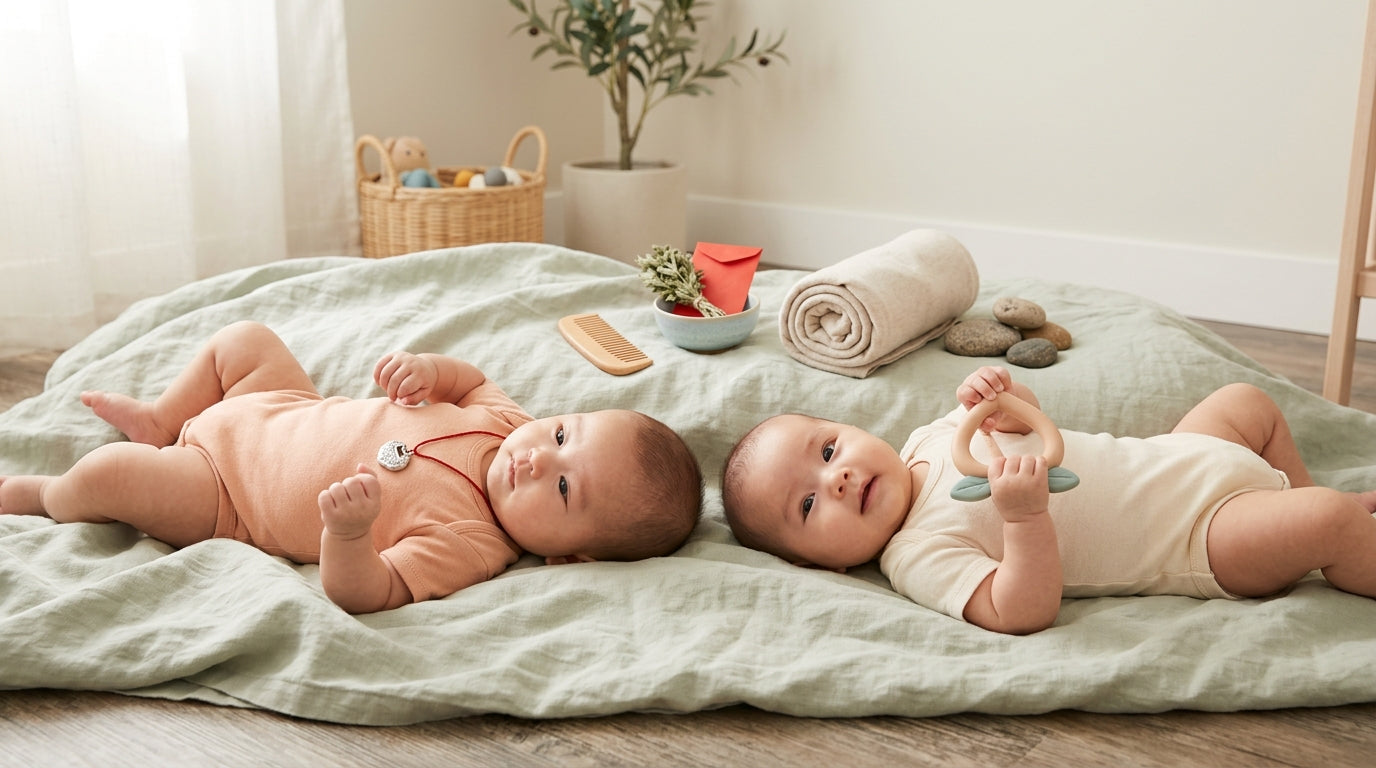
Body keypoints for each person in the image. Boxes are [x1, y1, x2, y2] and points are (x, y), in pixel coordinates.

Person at [0, 321, 702, 614]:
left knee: (114, 474)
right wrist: (429, 370)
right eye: (563, 432)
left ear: (571, 558)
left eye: (564, 486)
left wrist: (349, 535)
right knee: (244, 340)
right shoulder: (505, 423)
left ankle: (45, 495)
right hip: (279, 404)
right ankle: (163, 417)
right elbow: (470, 379)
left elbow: (367, 592)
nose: (539, 457)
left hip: (225, 494)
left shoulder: (471, 544)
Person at [721, 365, 1376, 635]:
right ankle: (1337, 534)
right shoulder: (915, 555)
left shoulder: (931, 436)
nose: (835, 479)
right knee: (1327, 520)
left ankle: (1306, 501)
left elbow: (1031, 428)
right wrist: (1024, 517)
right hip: (1201, 533)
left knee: (1246, 401)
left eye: (827, 450)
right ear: (823, 565)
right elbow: (1019, 610)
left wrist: (1004, 400)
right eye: (807, 506)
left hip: (1179, 455)